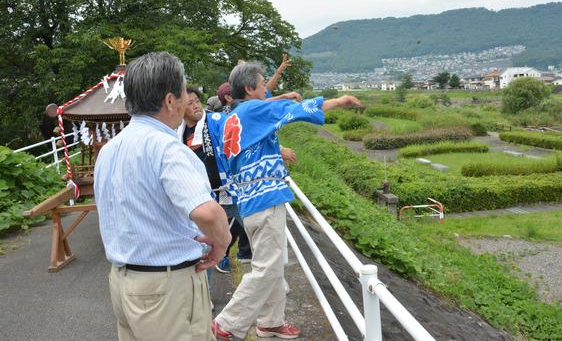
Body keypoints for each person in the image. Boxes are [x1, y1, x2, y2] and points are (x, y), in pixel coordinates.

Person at [209, 62, 362, 341]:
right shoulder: (254, 110)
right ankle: (227, 323)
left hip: (248, 198)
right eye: (262, 83)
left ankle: (271, 322)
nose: (266, 88)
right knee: (268, 268)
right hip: (264, 197)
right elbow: (292, 111)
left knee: (272, 264)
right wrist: (339, 101)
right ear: (249, 89)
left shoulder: (233, 116)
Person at [94, 52, 231, 341]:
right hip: (166, 287)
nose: (186, 99)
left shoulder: (109, 150)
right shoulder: (168, 149)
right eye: (183, 92)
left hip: (123, 281)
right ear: (170, 100)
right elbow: (207, 213)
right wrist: (221, 243)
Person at [178, 86, 251, 274]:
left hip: (229, 190)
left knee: (255, 228)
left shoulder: (216, 120)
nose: (196, 106)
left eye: (197, 101)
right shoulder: (178, 133)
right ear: (179, 107)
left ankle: (270, 273)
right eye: (189, 103)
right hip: (204, 198)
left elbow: (242, 134)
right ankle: (207, 295)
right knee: (207, 244)